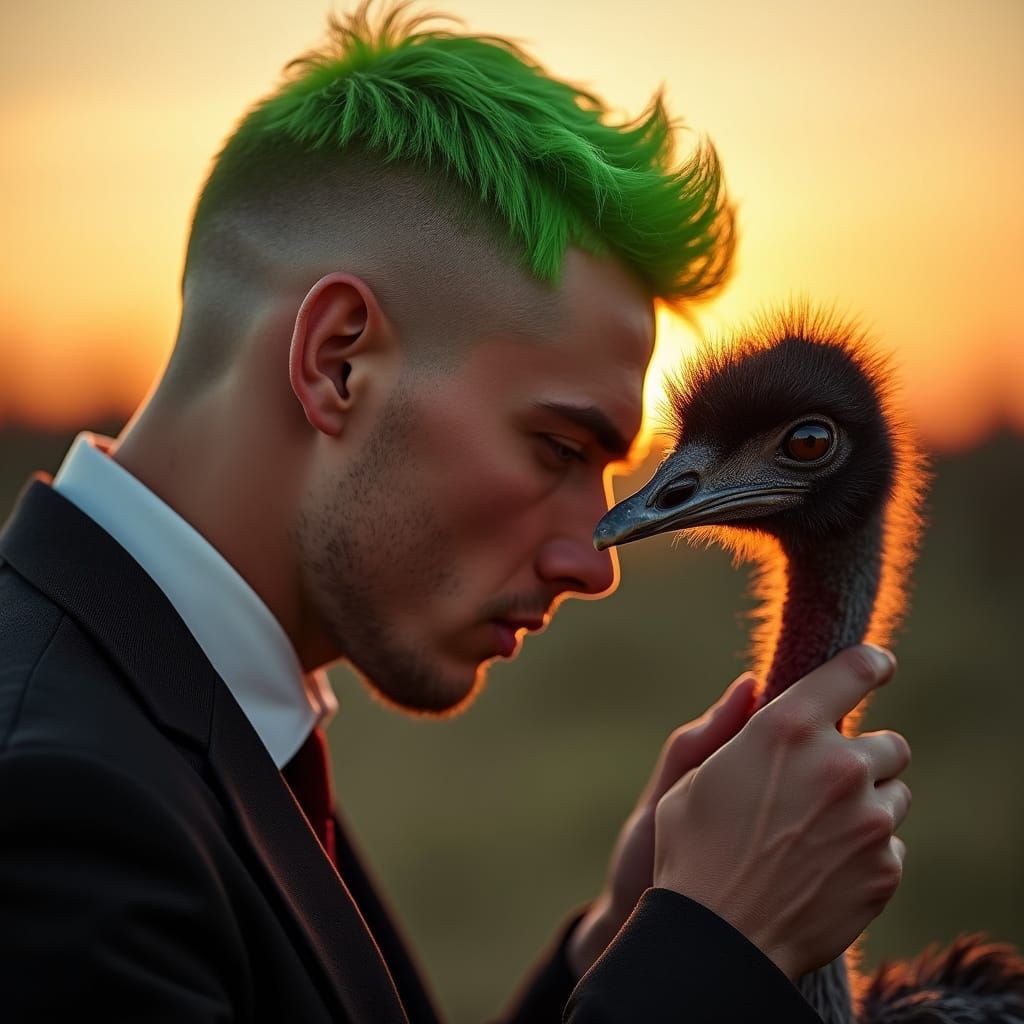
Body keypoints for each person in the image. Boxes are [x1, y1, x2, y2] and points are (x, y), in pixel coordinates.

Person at [0, 4, 911, 1021]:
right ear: (338, 361)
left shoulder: (175, 709)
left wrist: (617, 937)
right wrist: (712, 948)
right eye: (558, 448)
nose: (592, 558)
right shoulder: (54, 803)